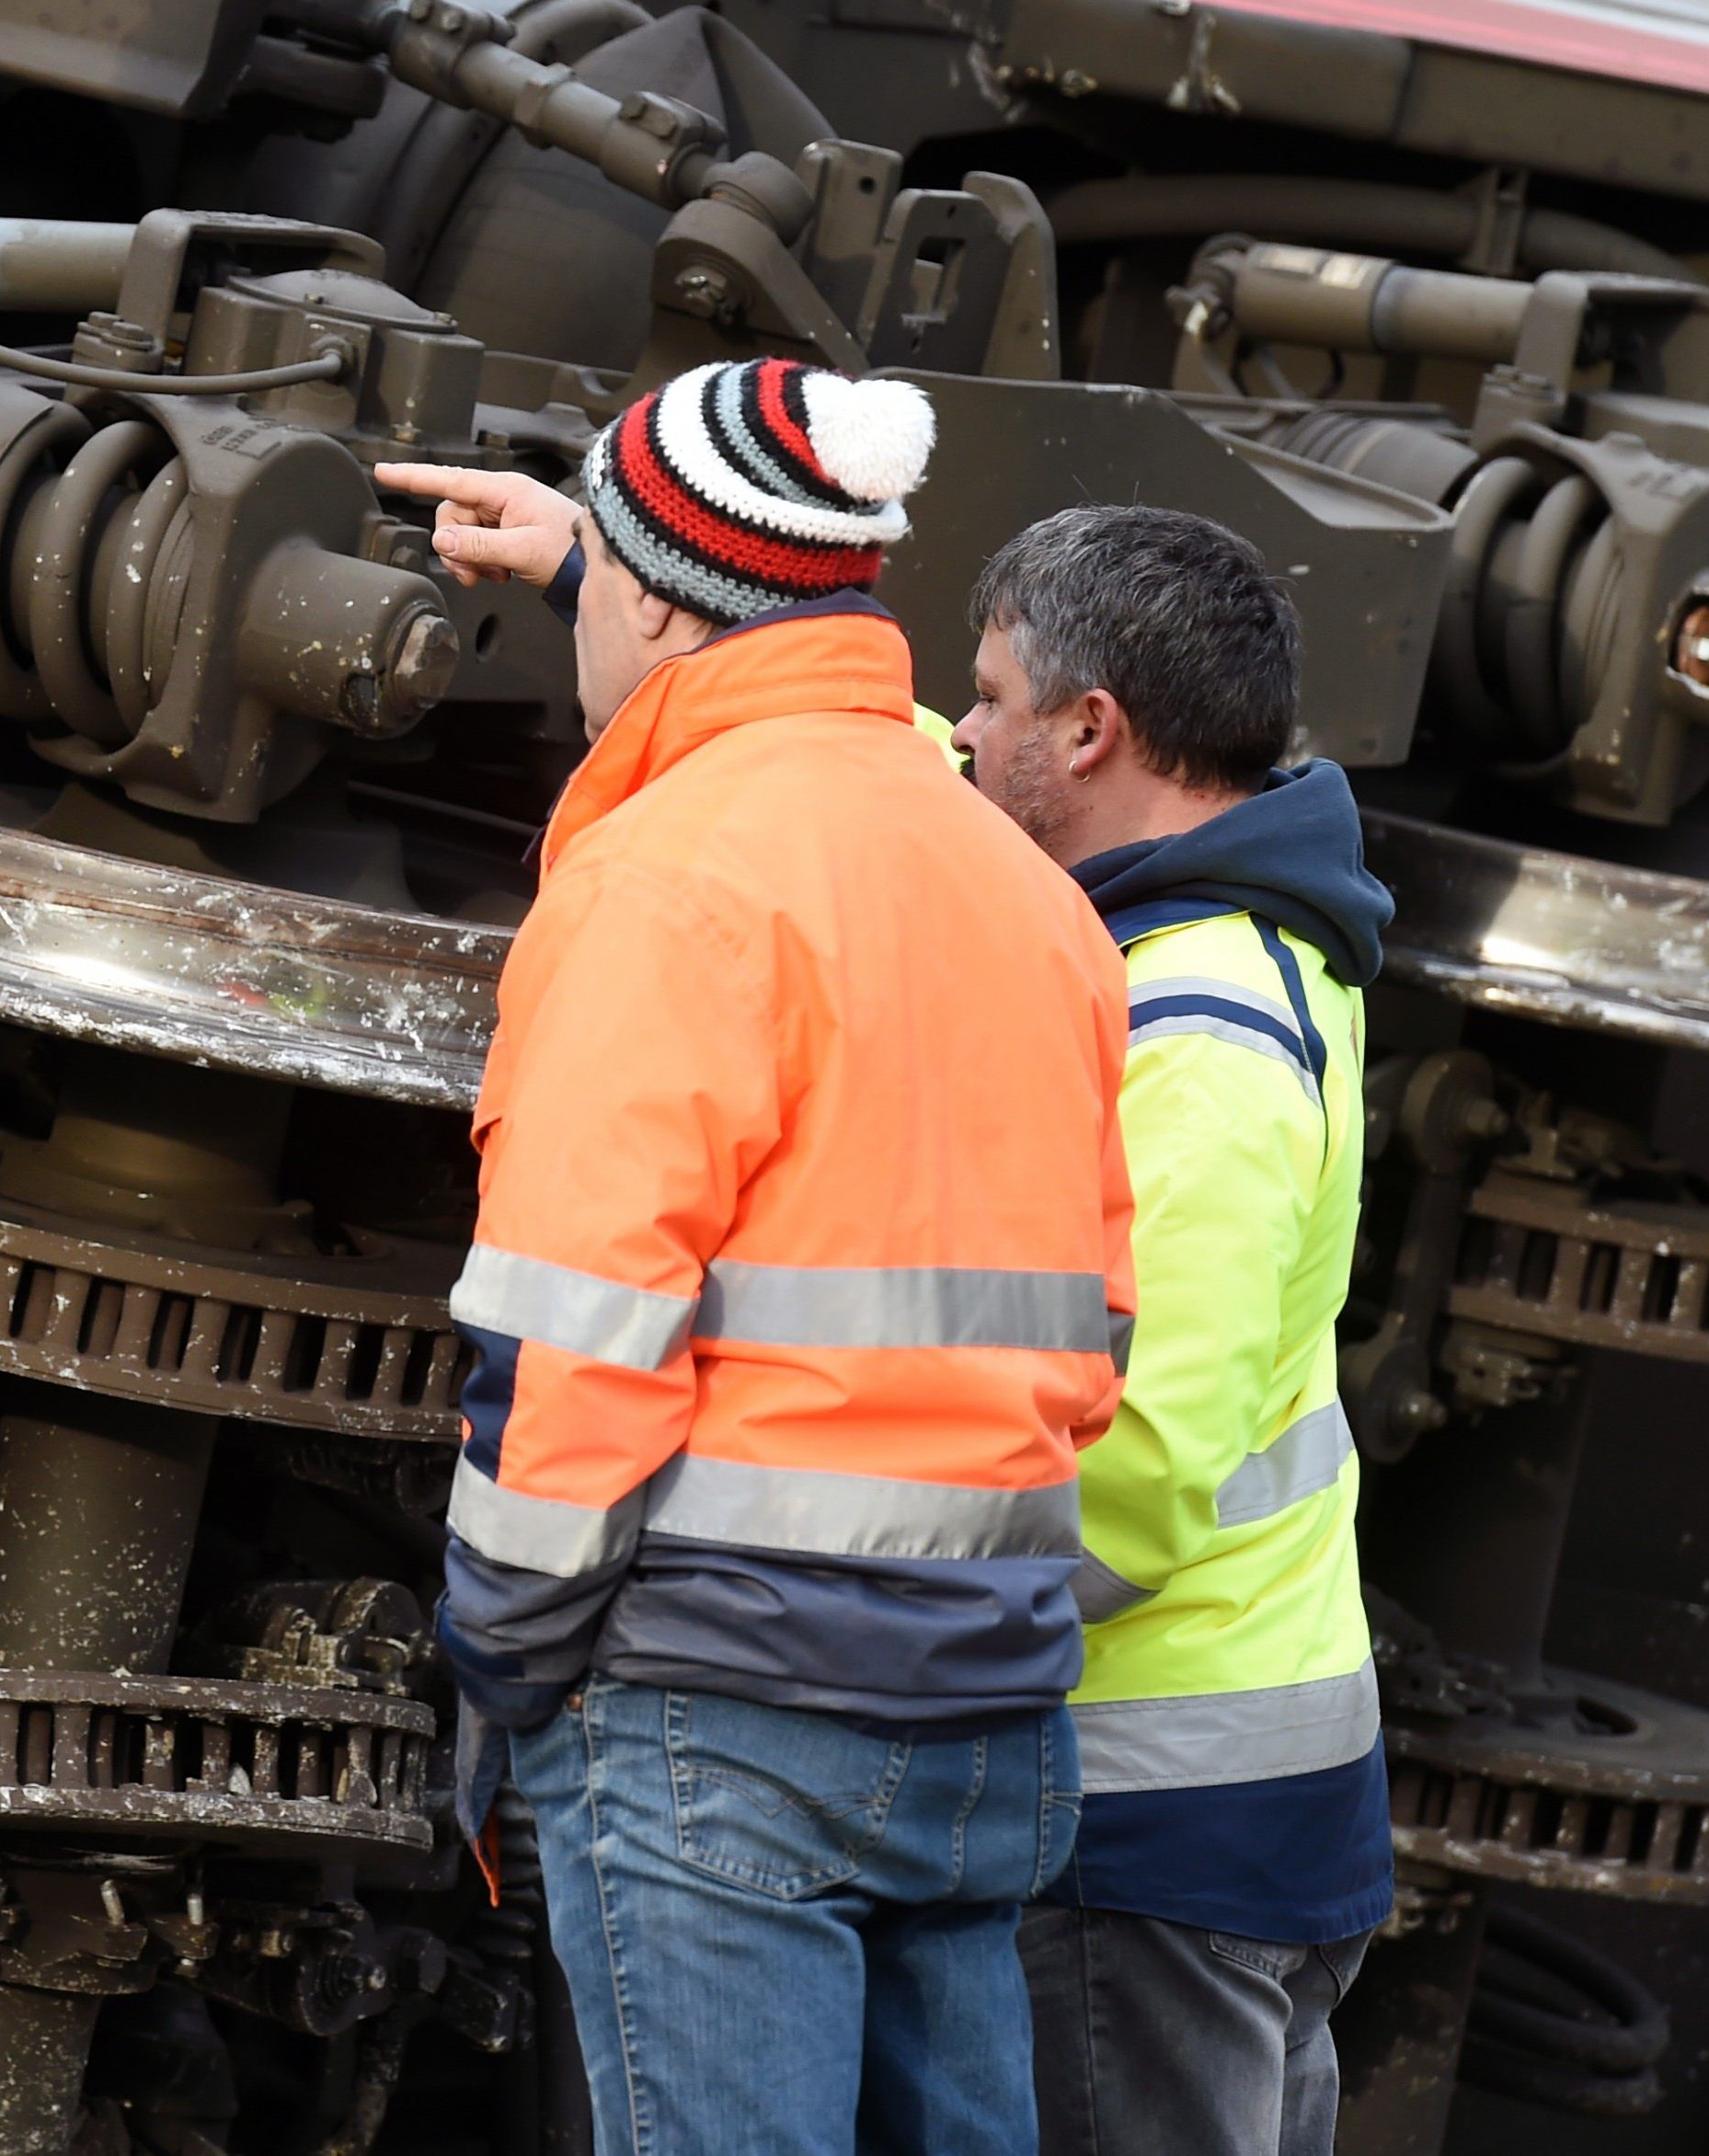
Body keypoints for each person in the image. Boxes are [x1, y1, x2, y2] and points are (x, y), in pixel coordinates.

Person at [373, 360, 1135, 2156]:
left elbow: (572, 1344)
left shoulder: (662, 883)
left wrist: (499, 1658)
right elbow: (1096, 1321)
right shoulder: (1027, 891)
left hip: (718, 1716)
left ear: (650, 593)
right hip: (979, 1711)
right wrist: (590, 552)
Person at [945, 505, 1397, 2156]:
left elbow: (1127, 1480)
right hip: (1237, 1788)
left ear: (1092, 729)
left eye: (990, 699)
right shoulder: (1236, 909)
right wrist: (611, 581)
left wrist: (859, 1657)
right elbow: (900, 752)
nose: (965, 728)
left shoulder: (1195, 1041)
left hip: (1154, 1818)